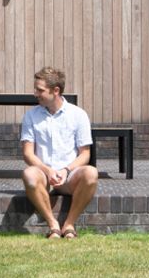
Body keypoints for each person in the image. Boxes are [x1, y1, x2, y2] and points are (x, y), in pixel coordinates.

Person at [19, 66, 97, 239]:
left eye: (40, 90)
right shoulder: (30, 116)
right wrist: (48, 170)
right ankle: (53, 224)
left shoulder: (78, 115)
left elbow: (85, 154)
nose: (35, 93)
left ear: (55, 90)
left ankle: (69, 224)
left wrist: (65, 170)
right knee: (29, 174)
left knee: (91, 173)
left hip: (69, 176)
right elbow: (28, 153)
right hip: (44, 177)